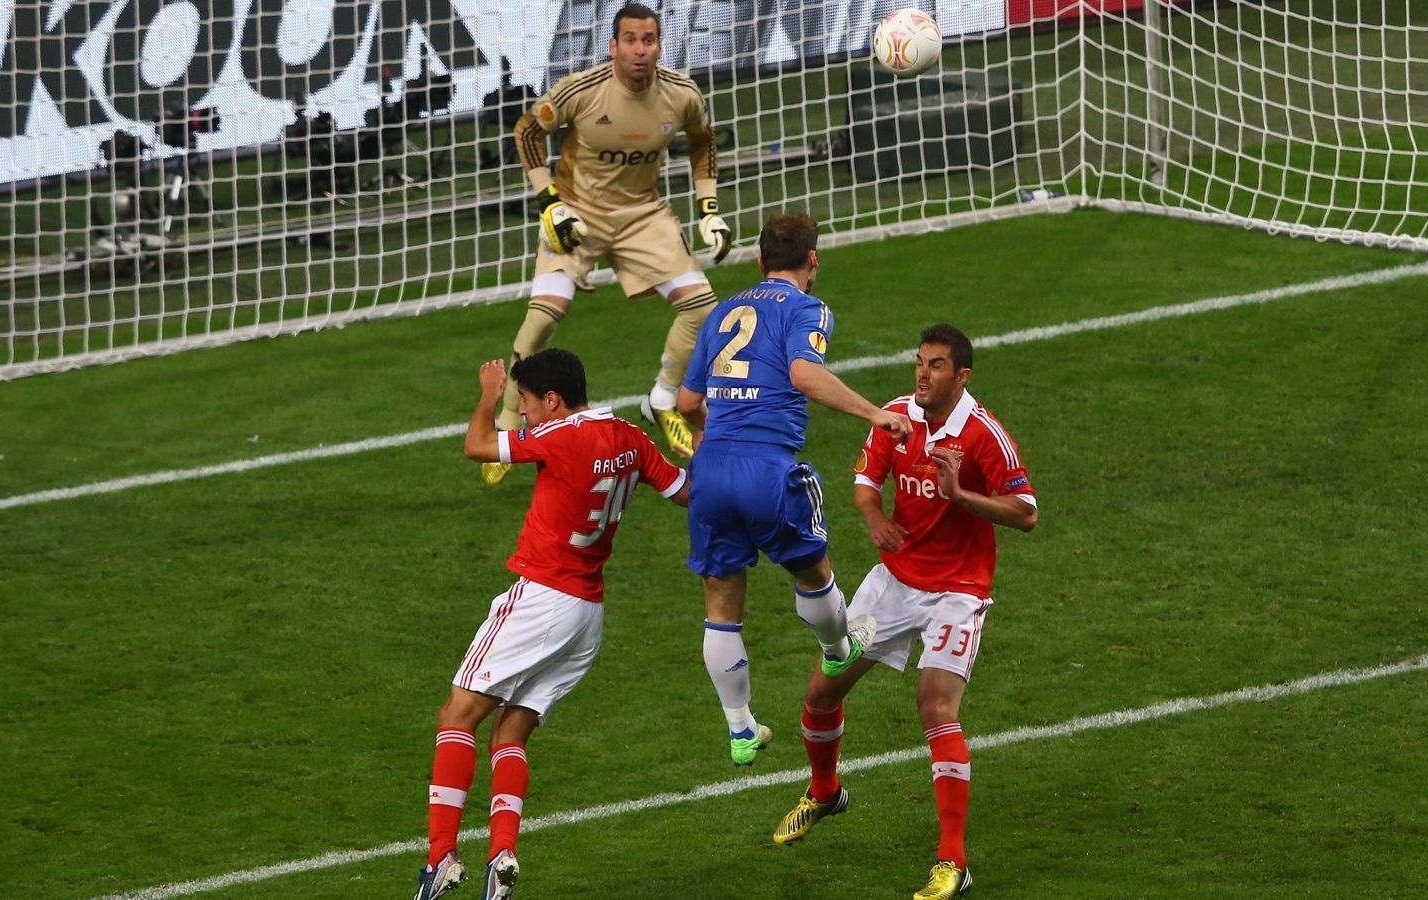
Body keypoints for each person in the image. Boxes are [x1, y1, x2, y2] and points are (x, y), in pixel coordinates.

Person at [768, 324, 1037, 900]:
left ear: (961, 376)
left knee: (934, 705)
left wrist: (962, 496)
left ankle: (953, 861)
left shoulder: (985, 435)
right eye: (920, 362)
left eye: (936, 365)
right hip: (892, 586)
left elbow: (1025, 512)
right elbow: (866, 482)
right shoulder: (895, 416)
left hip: (958, 593)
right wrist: (874, 520)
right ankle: (824, 790)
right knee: (822, 688)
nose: (922, 373)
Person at [415, 349, 688, 900]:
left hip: (542, 597)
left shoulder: (560, 434)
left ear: (554, 400)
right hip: (586, 615)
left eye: (527, 404)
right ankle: (502, 856)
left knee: (457, 715)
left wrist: (489, 397)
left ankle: (441, 856)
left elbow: (476, 446)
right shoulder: (629, 437)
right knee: (510, 730)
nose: (526, 416)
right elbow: (687, 492)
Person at [676, 212, 912, 766]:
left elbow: (686, 404)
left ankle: (740, 730)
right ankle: (836, 649)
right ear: (812, 261)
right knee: (815, 572)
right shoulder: (809, 307)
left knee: (720, 606)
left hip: (709, 472)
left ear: (759, 262)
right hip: (766, 468)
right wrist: (874, 413)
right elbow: (804, 374)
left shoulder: (721, 312)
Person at [483, 2, 730, 485]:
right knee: (540, 324)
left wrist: (708, 208)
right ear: (613, 46)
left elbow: (703, 142)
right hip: (578, 213)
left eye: (649, 40)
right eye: (631, 41)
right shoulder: (583, 90)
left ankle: (661, 399)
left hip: (643, 214)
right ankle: (508, 428)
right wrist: (549, 201)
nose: (641, 50)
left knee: (702, 308)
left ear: (660, 45)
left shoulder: (681, 94)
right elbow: (528, 131)